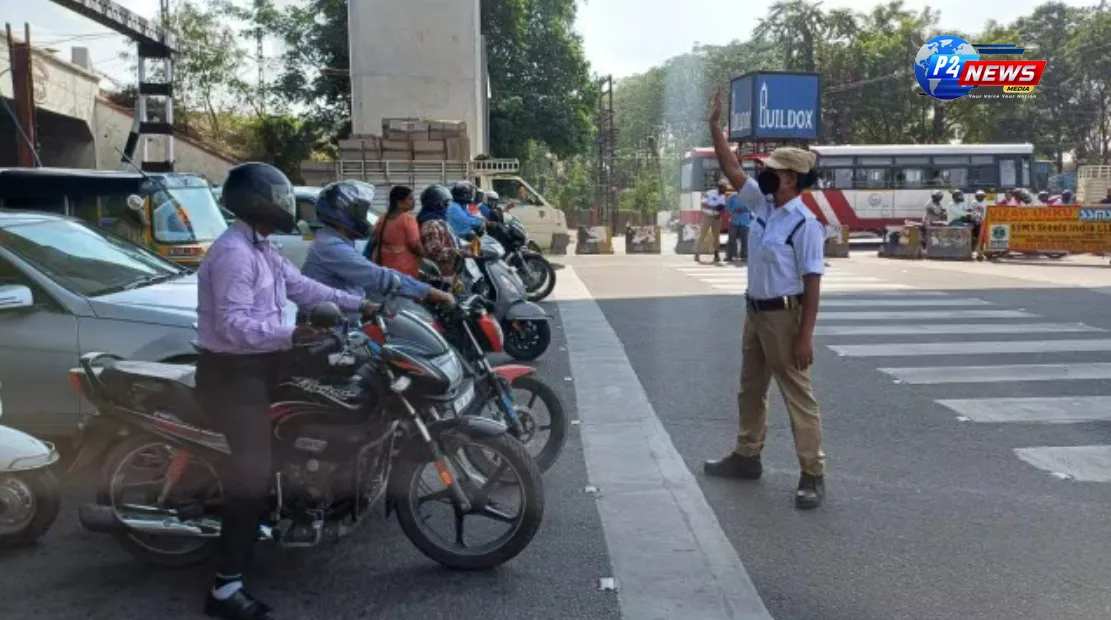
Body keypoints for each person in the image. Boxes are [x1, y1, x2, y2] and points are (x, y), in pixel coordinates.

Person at [194, 163, 380, 620]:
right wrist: (292, 335)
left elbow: (302, 287)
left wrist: (362, 304)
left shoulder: (263, 248)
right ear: (257, 200)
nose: (284, 203)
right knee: (253, 470)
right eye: (276, 195)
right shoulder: (235, 253)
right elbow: (233, 326)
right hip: (234, 373)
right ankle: (225, 586)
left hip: (262, 361)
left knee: (327, 397)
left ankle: (307, 493)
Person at [701, 89, 828, 510]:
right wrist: (715, 127)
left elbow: (812, 282)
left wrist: (805, 335)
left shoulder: (805, 224)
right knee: (750, 389)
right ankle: (747, 456)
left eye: (773, 171)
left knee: (798, 397)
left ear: (790, 178)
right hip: (755, 313)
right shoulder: (763, 205)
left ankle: (812, 473)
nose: (765, 175)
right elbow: (731, 167)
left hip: (785, 318)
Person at [301, 180, 451, 312]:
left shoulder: (340, 238)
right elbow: (378, 275)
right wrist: (428, 291)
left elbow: (366, 267)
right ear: (343, 212)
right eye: (360, 211)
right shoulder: (331, 246)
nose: (363, 217)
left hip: (354, 309)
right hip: (331, 328)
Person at [370, 185, 424, 277]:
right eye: (410, 199)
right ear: (399, 202)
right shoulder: (407, 219)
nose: (414, 201)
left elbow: (374, 239)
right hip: (403, 266)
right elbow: (415, 245)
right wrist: (425, 255)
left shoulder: (382, 218)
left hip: (383, 264)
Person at [419, 184, 466, 277]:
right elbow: (434, 251)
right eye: (446, 204)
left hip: (451, 269)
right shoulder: (430, 224)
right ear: (438, 204)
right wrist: (458, 252)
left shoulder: (440, 220)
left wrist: (467, 246)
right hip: (441, 274)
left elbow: (451, 240)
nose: (447, 207)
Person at [695, 178, 729, 263]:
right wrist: (713, 207)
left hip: (716, 218)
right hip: (707, 216)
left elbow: (722, 207)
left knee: (716, 237)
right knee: (702, 235)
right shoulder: (710, 193)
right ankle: (697, 253)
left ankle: (716, 254)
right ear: (719, 186)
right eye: (724, 187)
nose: (725, 189)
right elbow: (703, 204)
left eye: (726, 187)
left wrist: (720, 213)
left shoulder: (723, 196)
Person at [725, 183, 752, 262]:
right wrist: (734, 210)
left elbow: (752, 208)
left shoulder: (749, 197)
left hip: (746, 222)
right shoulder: (731, 197)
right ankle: (729, 256)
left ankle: (744, 256)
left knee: (745, 240)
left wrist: (745, 209)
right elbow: (727, 208)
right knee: (731, 239)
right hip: (734, 221)